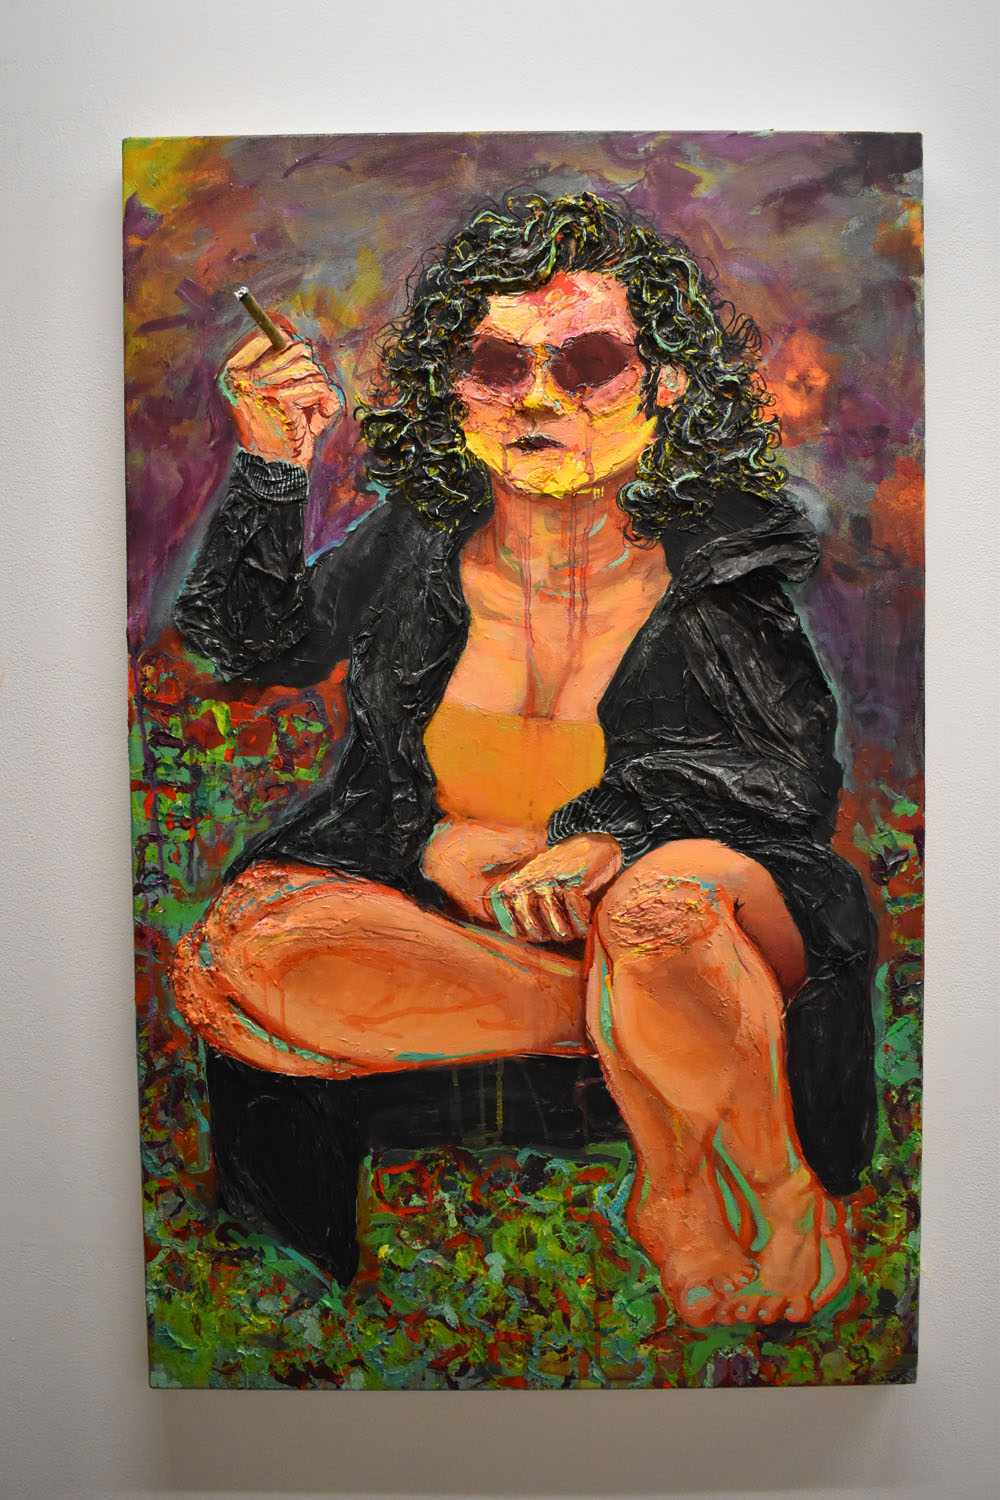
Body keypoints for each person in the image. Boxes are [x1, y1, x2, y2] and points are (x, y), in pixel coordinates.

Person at [170, 192, 876, 1328]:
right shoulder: (411, 547)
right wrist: (270, 463)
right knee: (240, 950)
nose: (537, 397)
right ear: (455, 389)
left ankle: (744, 1194)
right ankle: (626, 1019)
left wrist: (608, 841)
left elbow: (785, 782)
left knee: (661, 911)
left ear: (665, 384)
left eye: (586, 363)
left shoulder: (722, 562)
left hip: (693, 896)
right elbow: (247, 646)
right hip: (475, 922)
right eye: (498, 364)